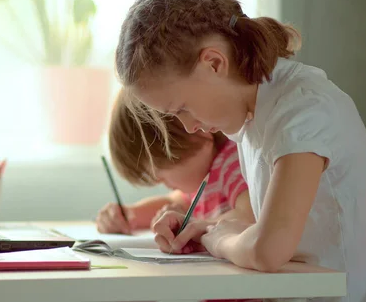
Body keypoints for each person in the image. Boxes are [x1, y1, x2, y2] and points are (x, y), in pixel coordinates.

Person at [113, 0, 366, 302]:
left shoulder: (302, 112)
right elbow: (254, 220)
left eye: (181, 108)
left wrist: (219, 242)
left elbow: (269, 249)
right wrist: (205, 228)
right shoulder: (253, 118)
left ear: (214, 63)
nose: (188, 126)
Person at [96, 89, 253, 237]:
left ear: (197, 134)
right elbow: (174, 201)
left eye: (159, 171)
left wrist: (196, 226)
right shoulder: (202, 177)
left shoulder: (232, 163)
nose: (158, 181)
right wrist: (131, 214)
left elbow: (251, 216)